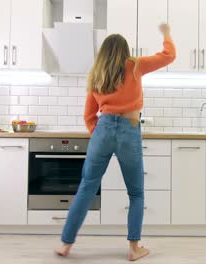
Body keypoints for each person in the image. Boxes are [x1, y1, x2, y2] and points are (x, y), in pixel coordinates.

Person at [55, 23, 176, 261]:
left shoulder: (97, 74)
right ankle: (133, 248)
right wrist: (165, 34)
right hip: (129, 131)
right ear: (125, 51)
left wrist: (100, 133)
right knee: (136, 193)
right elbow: (169, 55)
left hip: (103, 129)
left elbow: (89, 115)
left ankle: (65, 245)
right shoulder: (134, 65)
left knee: (86, 188)